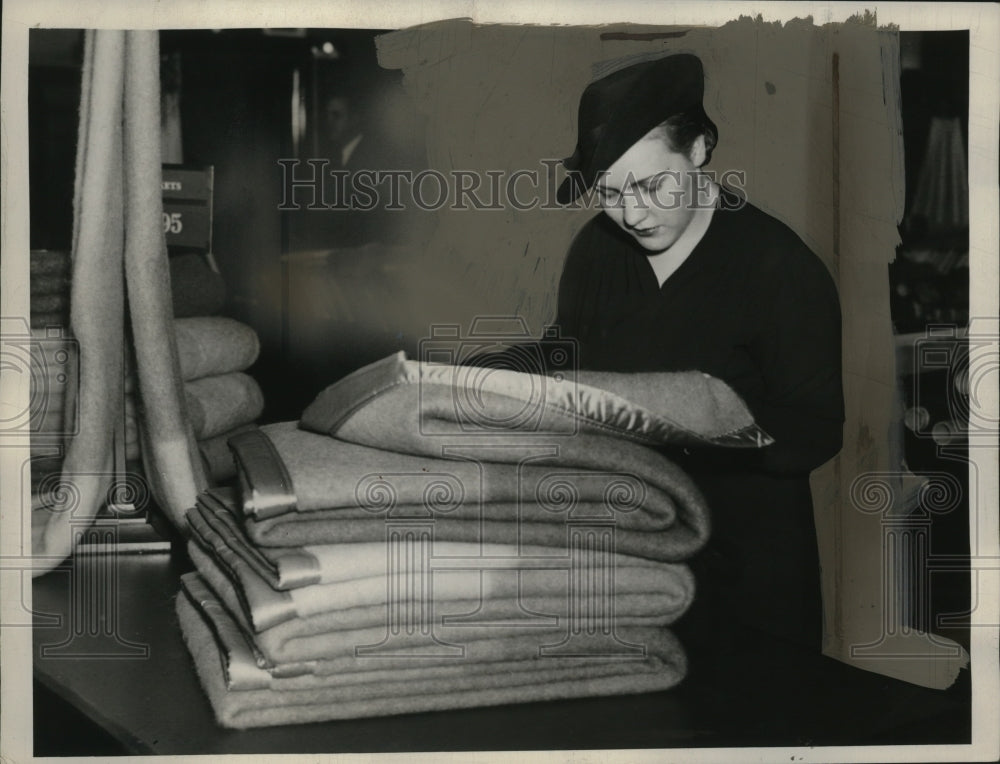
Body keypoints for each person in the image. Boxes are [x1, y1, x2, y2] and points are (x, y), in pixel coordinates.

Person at [553, 53, 845, 658]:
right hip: (627, 555)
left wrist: (705, 413)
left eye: (651, 184)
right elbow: (569, 362)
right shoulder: (595, 253)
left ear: (700, 150)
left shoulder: (779, 266)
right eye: (609, 192)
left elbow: (817, 429)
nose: (633, 214)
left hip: (749, 575)